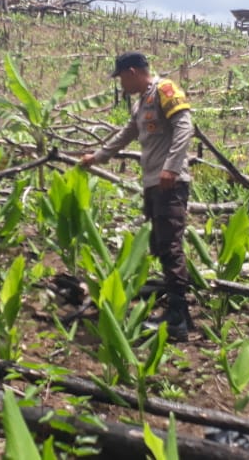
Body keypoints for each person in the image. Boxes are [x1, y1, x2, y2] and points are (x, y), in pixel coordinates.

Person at [80, 51, 194, 340]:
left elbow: (184, 127)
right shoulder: (141, 102)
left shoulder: (165, 90)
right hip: (153, 184)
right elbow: (127, 133)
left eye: (121, 78)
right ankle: (174, 308)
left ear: (132, 72)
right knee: (158, 243)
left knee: (170, 245)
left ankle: (179, 318)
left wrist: (172, 167)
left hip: (170, 182)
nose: (121, 85)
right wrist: (98, 156)